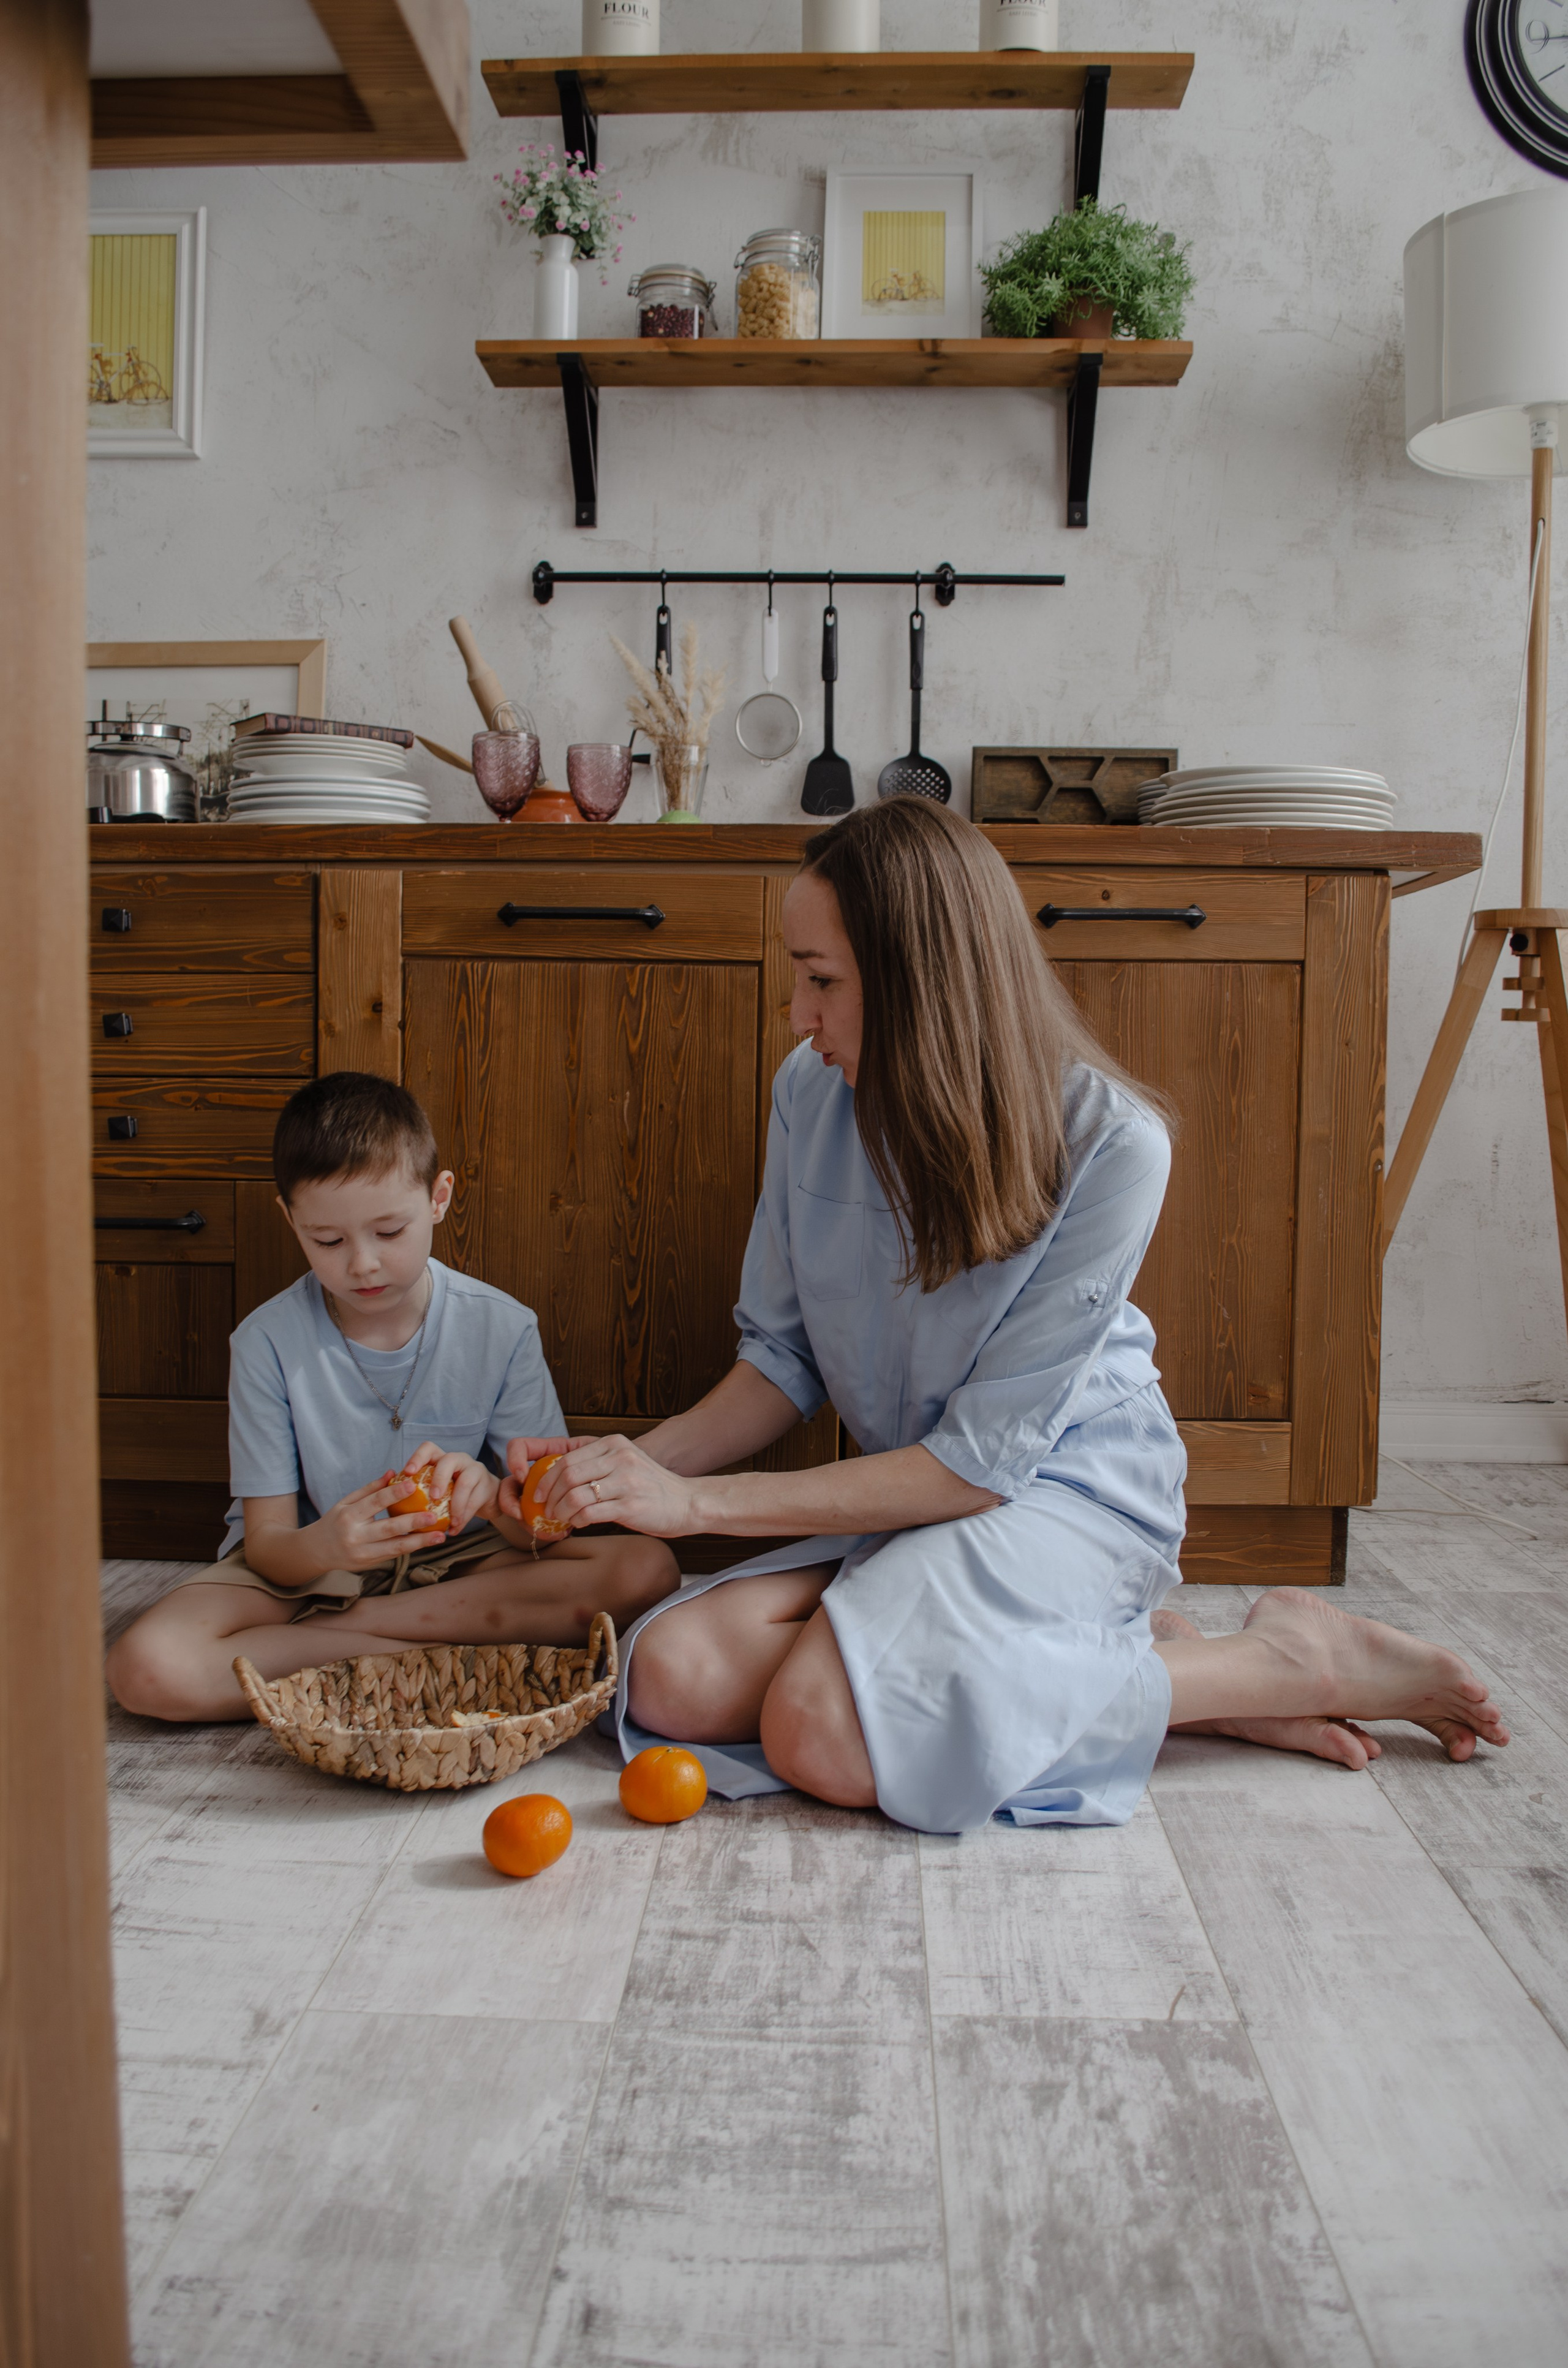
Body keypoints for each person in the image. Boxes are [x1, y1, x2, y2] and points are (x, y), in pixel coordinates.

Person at [501, 799, 1510, 1834]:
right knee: (671, 1676)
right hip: (917, 1500)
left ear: (922, 984)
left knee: (822, 1731)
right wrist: (620, 1479)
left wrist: (700, 1509)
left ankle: (1282, 1664)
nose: (799, 1016)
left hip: (1056, 1492)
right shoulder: (809, 1096)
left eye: (823, 981)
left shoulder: (1114, 1145)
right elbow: (783, 1359)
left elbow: (979, 1466)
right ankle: (1171, 1680)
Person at [107, 1072, 677, 1722]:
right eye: (327, 1240)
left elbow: (538, 1529)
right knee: (145, 1669)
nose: (363, 1265)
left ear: (439, 1197)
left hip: (459, 1566)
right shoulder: (266, 1341)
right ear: (290, 1219)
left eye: (388, 1231)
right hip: (306, 1571)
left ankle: (350, 1643)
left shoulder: (501, 1326)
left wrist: (491, 1499)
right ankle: (444, 1653)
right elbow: (268, 1544)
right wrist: (328, 1547)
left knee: (645, 1569)